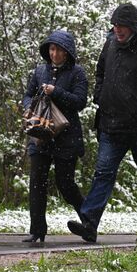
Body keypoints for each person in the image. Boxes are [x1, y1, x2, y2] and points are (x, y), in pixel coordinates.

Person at [67, 3, 137, 243]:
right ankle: (89, 224)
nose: (118, 30)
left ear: (134, 27)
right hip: (111, 124)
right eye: (115, 25)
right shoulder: (111, 43)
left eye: (122, 26)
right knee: (103, 173)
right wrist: (99, 95)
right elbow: (101, 71)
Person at [22, 30, 88, 242]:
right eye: (51, 48)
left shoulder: (77, 73)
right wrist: (27, 108)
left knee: (65, 184)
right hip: (41, 133)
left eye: (59, 49)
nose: (54, 53)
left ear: (67, 53)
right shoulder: (40, 71)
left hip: (67, 137)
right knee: (36, 182)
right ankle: (37, 231)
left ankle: (89, 222)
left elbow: (80, 101)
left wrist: (55, 91)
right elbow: (28, 94)